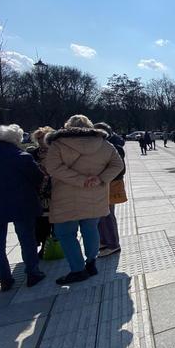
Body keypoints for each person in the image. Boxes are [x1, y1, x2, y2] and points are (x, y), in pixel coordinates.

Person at [45, 115, 124, 285]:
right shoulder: (103, 143)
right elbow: (118, 165)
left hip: (66, 197)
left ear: (67, 127)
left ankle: (77, 269)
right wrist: (100, 178)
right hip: (95, 194)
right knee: (91, 229)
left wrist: (80, 180)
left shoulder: (58, 144)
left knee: (66, 233)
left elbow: (52, 168)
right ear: (89, 126)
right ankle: (91, 263)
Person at [0, 124, 46, 290]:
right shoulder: (22, 156)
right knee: (27, 238)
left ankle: (4, 278)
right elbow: (38, 178)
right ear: (17, 139)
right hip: (21, 203)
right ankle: (32, 273)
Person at [94, 122, 126, 257]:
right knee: (101, 214)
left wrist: (102, 177)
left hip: (109, 184)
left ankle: (112, 243)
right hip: (103, 184)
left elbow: (120, 169)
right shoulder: (105, 146)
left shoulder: (113, 147)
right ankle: (104, 241)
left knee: (106, 214)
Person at [27, 126, 55, 257]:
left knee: (54, 220)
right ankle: (43, 244)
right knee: (41, 221)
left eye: (42, 138)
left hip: (55, 190)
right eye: (38, 138)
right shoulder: (33, 154)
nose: (40, 141)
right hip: (39, 192)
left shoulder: (57, 152)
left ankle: (53, 244)